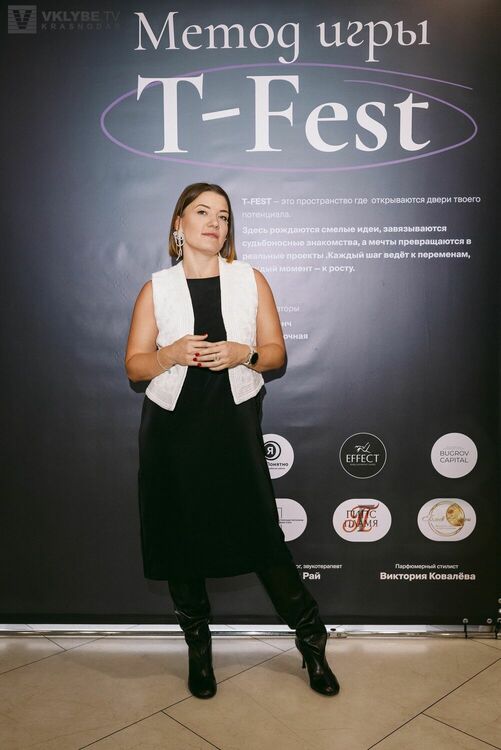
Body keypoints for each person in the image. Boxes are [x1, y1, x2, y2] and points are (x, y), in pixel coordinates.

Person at [125, 182, 340, 699]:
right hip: (171, 431)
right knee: (180, 541)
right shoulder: (156, 288)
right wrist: (170, 354)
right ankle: (199, 651)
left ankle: (311, 640)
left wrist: (246, 354)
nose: (214, 223)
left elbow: (276, 354)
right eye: (202, 212)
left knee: (262, 537)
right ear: (179, 223)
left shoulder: (250, 279)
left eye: (222, 216)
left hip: (233, 425)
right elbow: (134, 365)